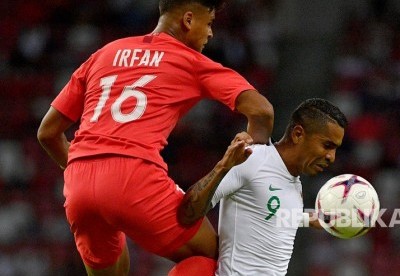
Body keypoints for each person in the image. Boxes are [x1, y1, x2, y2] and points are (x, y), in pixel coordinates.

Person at [36, 0, 274, 275]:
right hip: (134, 177)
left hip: (78, 183)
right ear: (188, 20)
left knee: (112, 267)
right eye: (208, 23)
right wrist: (255, 166)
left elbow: (48, 133)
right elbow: (262, 111)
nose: (210, 34)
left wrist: (91, 175)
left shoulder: (105, 52)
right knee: (221, 261)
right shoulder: (191, 61)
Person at [178, 98, 348, 275]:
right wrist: (223, 167)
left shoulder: (294, 183)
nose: (332, 157)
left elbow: (266, 214)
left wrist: (308, 218)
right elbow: (187, 212)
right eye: (327, 145)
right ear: (298, 134)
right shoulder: (253, 159)